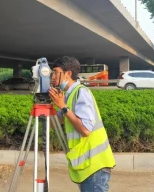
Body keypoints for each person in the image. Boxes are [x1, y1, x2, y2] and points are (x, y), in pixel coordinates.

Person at [48, 56, 116, 192]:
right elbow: (54, 124)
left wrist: (63, 107)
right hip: (86, 164)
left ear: (68, 73)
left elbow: (85, 130)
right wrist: (46, 103)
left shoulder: (81, 92)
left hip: (95, 165)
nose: (52, 76)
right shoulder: (68, 95)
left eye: (56, 72)